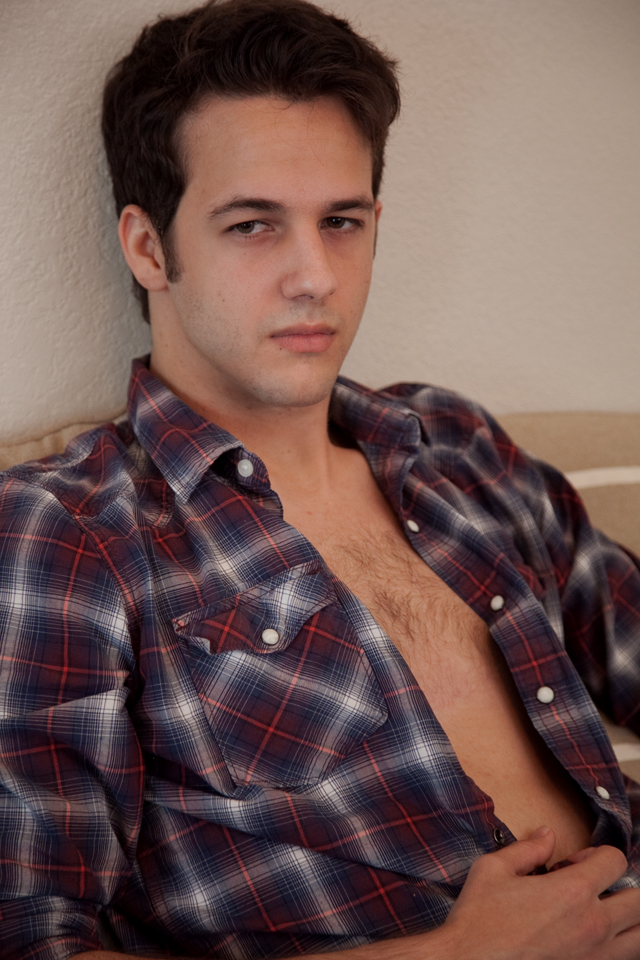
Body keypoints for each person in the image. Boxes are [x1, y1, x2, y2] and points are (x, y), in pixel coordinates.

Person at [2, 0, 640, 957]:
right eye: (253, 225)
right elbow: (31, 937)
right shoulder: (68, 532)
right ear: (148, 247)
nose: (315, 276)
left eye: (341, 221)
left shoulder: (454, 446)